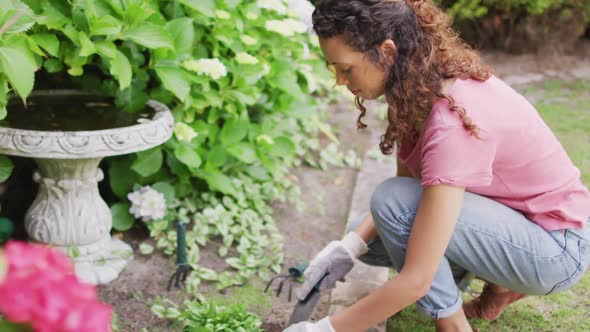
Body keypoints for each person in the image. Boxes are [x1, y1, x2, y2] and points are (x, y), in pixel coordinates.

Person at [283, 0, 590, 331]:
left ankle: (454, 324)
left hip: (555, 249)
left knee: (393, 204)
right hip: (515, 224)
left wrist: (324, 329)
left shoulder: (452, 120)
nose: (341, 82)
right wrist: (347, 248)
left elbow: (414, 271)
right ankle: (491, 282)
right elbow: (412, 195)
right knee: (367, 237)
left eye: (346, 69)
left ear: (387, 52)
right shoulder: (414, 92)